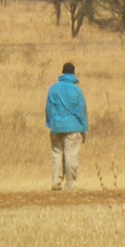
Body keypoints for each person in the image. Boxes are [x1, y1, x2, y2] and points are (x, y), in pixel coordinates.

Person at [45, 62, 88, 191]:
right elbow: (82, 110)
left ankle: (56, 182)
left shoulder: (53, 89)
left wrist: (50, 123)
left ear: (62, 72)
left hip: (56, 126)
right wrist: (84, 129)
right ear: (73, 73)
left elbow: (48, 108)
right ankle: (70, 184)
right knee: (71, 155)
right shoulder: (76, 90)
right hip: (73, 127)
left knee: (56, 155)